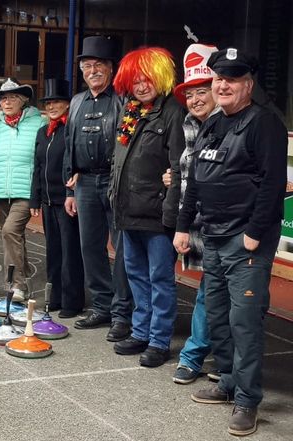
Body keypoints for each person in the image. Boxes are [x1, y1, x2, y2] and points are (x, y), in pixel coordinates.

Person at [174, 48, 287, 437]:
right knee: (218, 317)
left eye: (232, 79)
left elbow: (274, 185)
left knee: (244, 321)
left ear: (248, 85)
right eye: (219, 78)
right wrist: (183, 225)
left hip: (246, 242)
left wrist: (254, 234)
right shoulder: (214, 124)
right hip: (214, 235)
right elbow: (196, 180)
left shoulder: (264, 124)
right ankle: (227, 383)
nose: (222, 85)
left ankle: (248, 400)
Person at [109, 47, 185, 368]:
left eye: (147, 79)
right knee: (136, 277)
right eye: (135, 80)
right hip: (128, 213)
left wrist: (171, 216)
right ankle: (140, 332)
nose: (141, 86)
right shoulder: (131, 110)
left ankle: (158, 340)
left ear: (162, 77)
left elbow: (178, 169)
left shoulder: (172, 113)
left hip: (156, 217)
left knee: (160, 280)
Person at [64, 35, 133, 342]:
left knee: (122, 249)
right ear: (81, 70)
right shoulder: (77, 102)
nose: (92, 70)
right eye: (87, 65)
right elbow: (69, 145)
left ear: (110, 68)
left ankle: (122, 313)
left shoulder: (124, 99)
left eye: (98, 65)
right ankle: (102, 306)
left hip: (116, 182)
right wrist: (70, 187)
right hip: (85, 182)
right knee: (90, 247)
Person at [167, 43, 220, 384]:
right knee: (211, 290)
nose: (196, 99)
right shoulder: (189, 123)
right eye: (191, 93)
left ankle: (198, 356)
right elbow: (191, 171)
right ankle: (213, 356)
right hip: (197, 220)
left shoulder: (232, 123)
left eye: (203, 91)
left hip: (225, 225)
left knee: (213, 293)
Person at [30, 78, 85, 317]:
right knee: (52, 251)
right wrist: (35, 198)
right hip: (47, 200)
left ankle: (72, 301)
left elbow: (75, 163)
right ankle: (55, 296)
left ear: (67, 104)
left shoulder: (72, 129)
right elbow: (37, 165)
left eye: (57, 102)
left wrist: (70, 192)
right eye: (48, 103)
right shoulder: (43, 131)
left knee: (70, 252)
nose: (52, 107)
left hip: (66, 200)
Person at [0, 78, 45, 301]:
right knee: (13, 237)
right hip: (2, 189)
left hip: (26, 190)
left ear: (22, 100)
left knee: (10, 231)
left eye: (12, 97)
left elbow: (43, 158)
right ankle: (19, 275)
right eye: (3, 98)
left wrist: (39, 190)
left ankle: (17, 285)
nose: (7, 102)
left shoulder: (38, 122)